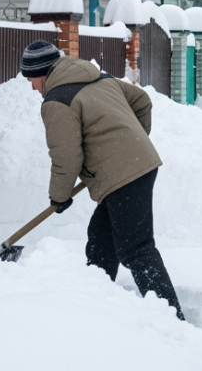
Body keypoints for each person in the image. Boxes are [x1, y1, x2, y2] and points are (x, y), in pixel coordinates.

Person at [20, 40, 184, 320]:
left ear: (42, 72)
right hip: (136, 165)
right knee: (101, 239)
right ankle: (95, 304)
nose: (33, 87)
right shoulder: (98, 77)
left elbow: (66, 156)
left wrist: (59, 195)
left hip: (123, 174)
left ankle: (171, 319)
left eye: (32, 79)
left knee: (136, 248)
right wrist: (133, 142)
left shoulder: (57, 101)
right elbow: (142, 101)